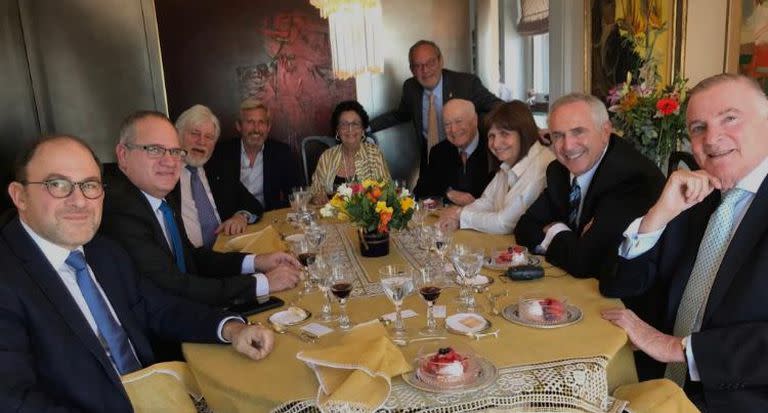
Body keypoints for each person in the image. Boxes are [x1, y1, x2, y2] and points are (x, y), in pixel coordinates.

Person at [0, 135, 274, 412]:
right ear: (19, 196)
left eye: (90, 185)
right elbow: (14, 401)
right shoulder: (7, 277)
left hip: (158, 395)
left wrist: (231, 328)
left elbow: (159, 309)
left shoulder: (104, 251)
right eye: (58, 184)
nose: (80, 201)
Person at [601, 74, 768, 411]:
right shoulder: (697, 196)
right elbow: (619, 284)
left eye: (729, 119)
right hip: (657, 384)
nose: (712, 138)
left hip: (739, 398)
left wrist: (676, 348)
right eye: (697, 128)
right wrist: (657, 217)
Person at [100, 110, 301, 309]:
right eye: (154, 149)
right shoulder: (121, 211)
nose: (169, 161)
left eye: (173, 151)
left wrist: (257, 261)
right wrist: (262, 283)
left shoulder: (160, 196)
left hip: (202, 290)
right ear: (123, 155)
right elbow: (175, 287)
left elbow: (191, 258)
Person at [514, 93, 664, 278]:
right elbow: (524, 227)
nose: (567, 146)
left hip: (627, 301)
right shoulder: (558, 170)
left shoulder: (631, 177)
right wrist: (573, 241)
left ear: (605, 132)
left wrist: (554, 230)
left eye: (578, 132)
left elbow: (585, 263)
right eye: (558, 135)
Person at [369, 40, 502, 168]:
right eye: (418, 66)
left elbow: (499, 108)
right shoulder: (411, 88)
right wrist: (365, 126)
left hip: (467, 162)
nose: (425, 70)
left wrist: (480, 127)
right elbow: (401, 115)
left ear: (440, 61)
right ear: (412, 70)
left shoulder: (466, 84)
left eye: (431, 63)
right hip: (431, 161)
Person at [439, 101, 555, 234]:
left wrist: (460, 215)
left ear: (523, 132)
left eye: (504, 134)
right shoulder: (509, 163)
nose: (496, 143)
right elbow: (487, 201)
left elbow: (505, 223)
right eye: (491, 136)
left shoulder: (541, 165)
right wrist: (458, 217)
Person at [176, 104, 263, 248]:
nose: (202, 141)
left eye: (209, 137)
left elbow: (253, 204)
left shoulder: (219, 168)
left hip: (226, 250)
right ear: (178, 134)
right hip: (189, 261)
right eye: (195, 133)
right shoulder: (166, 173)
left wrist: (241, 217)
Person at [207, 98, 302, 211]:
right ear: (239, 126)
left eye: (261, 122)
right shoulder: (222, 153)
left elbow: (296, 192)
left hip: (267, 219)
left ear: (268, 127)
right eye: (250, 122)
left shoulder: (281, 152)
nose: (256, 129)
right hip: (232, 221)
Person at [413, 99, 492, 204]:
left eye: (458, 121)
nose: (453, 129)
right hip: (446, 218)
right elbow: (420, 193)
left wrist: (476, 204)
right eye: (447, 124)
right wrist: (448, 192)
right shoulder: (439, 152)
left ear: (475, 120)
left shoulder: (493, 149)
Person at [309, 101, 391, 203]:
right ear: (337, 130)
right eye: (344, 124)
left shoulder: (374, 155)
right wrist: (317, 197)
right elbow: (313, 192)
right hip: (332, 217)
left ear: (362, 129)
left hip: (366, 218)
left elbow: (387, 192)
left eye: (355, 124)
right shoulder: (327, 156)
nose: (350, 129)